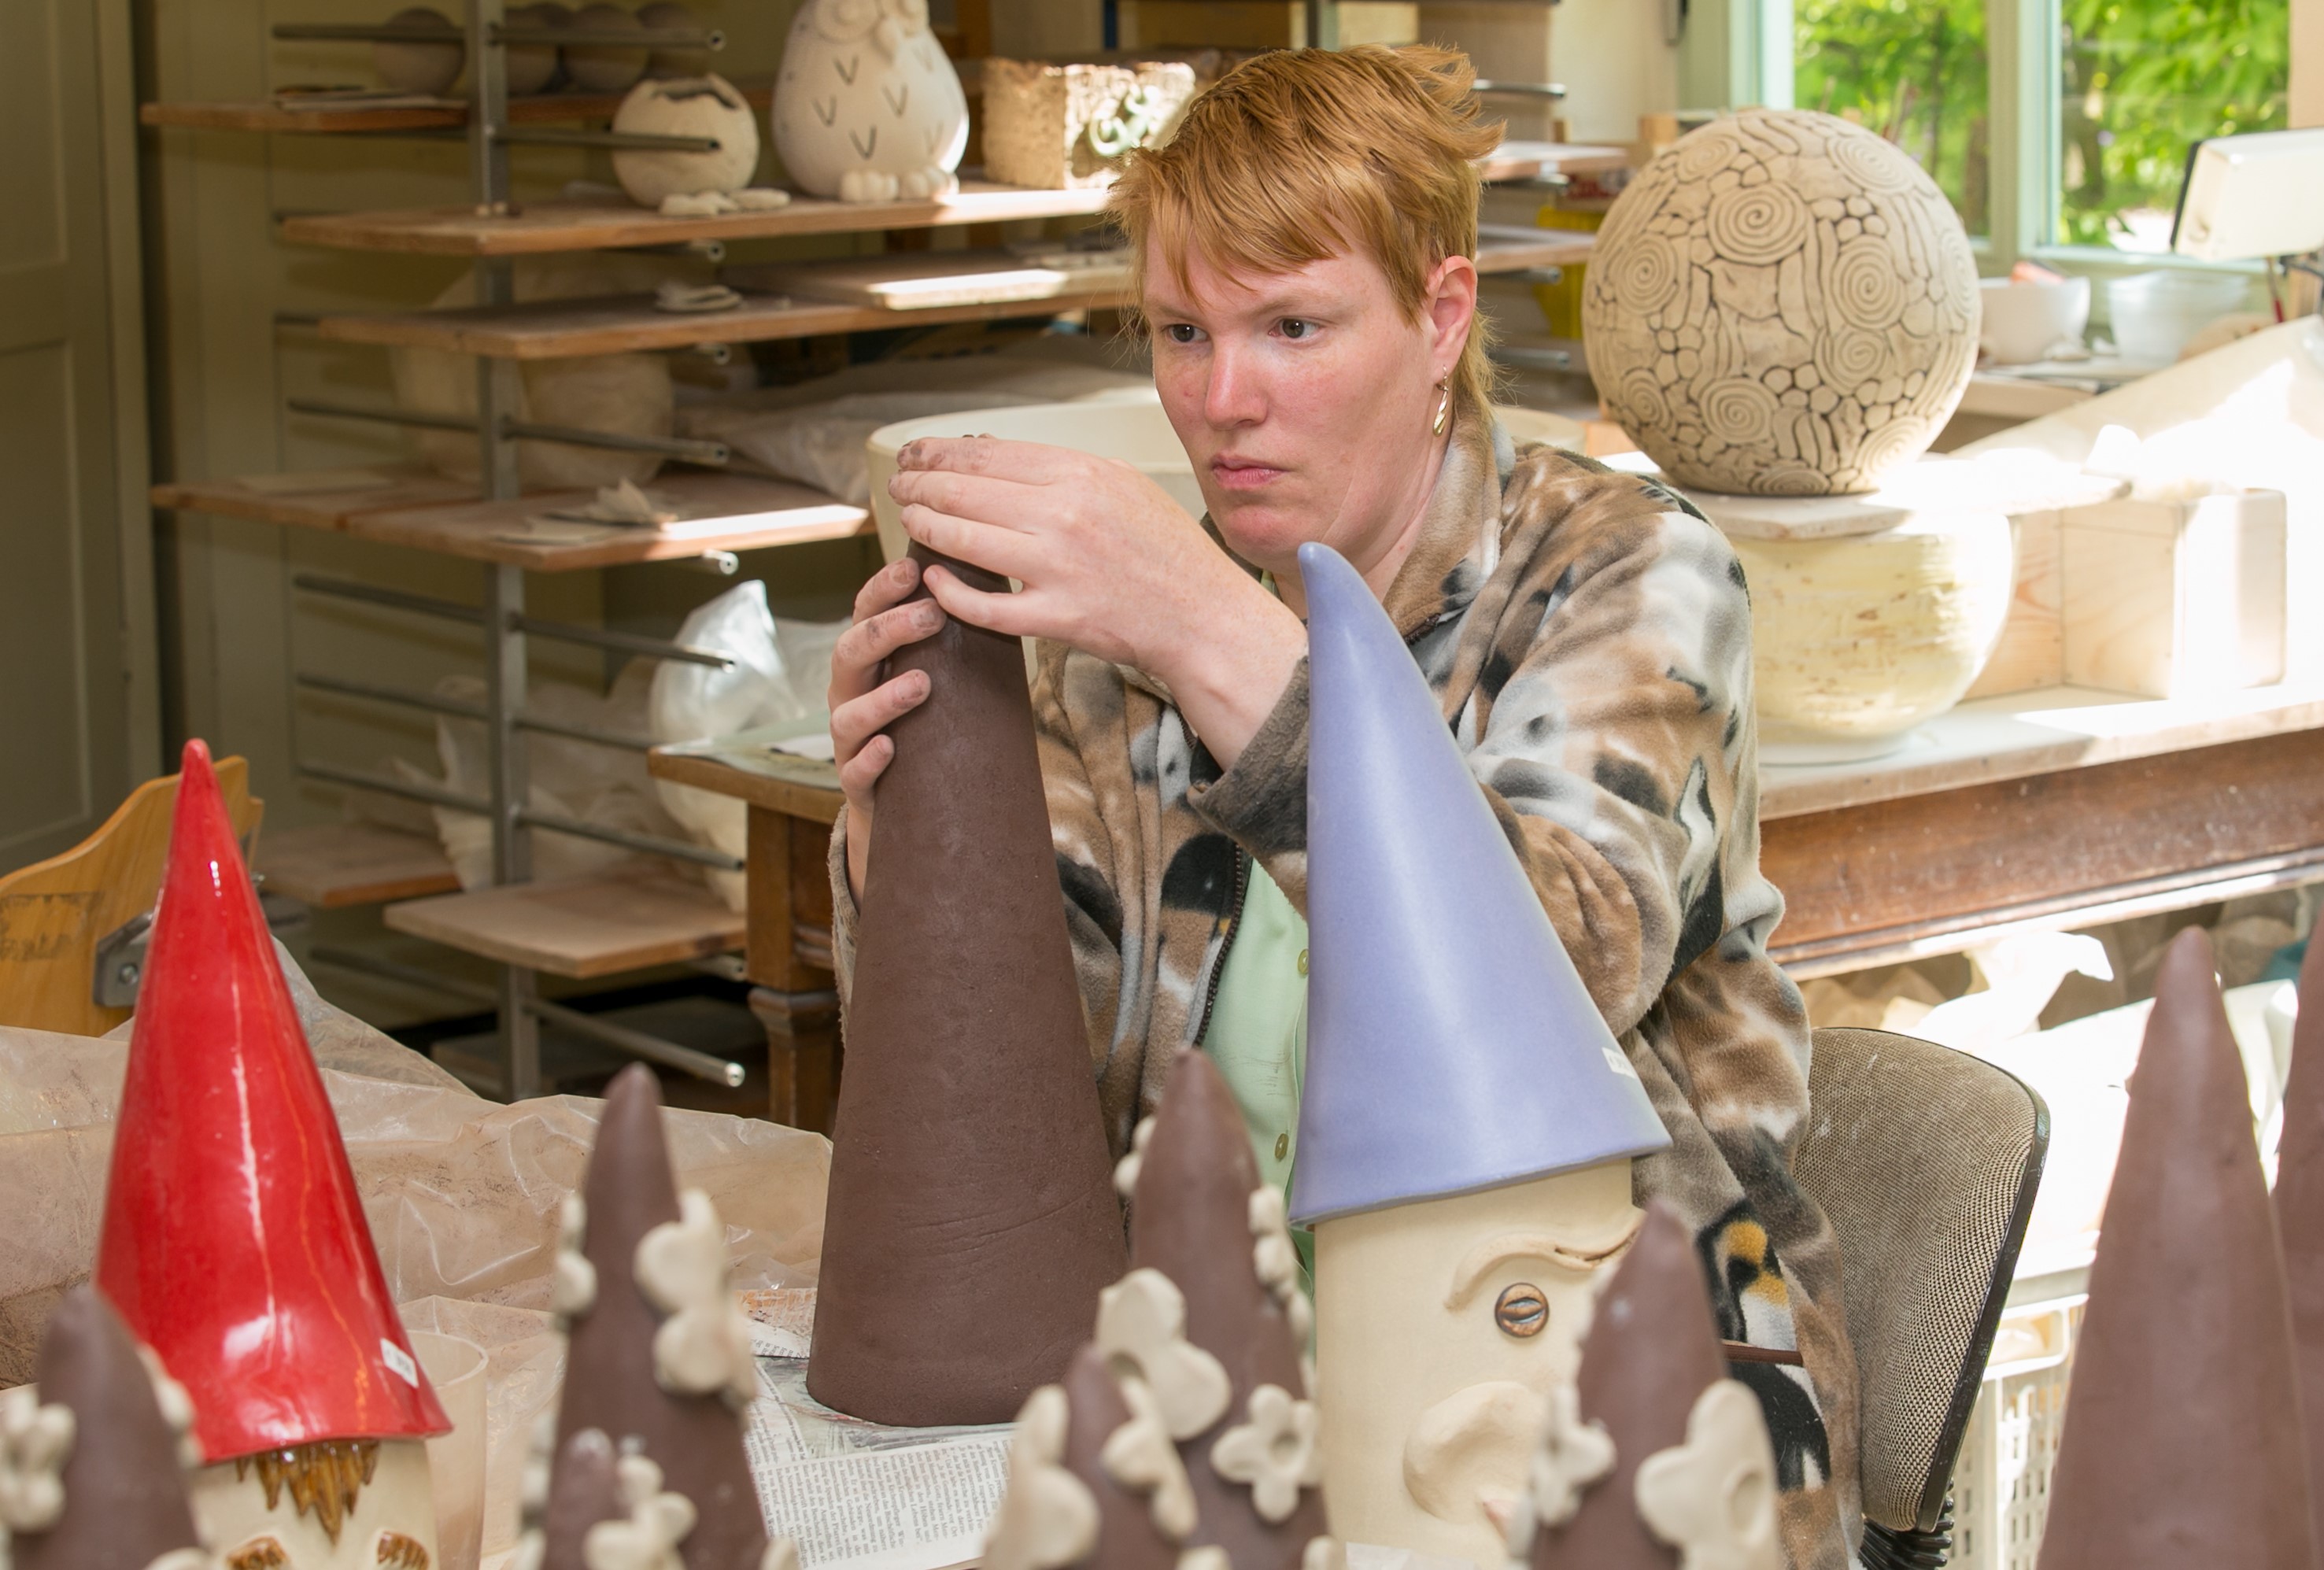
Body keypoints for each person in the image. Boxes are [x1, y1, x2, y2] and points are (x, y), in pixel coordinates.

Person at [824, 45, 1859, 1567]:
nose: (1220, 400)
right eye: (1181, 332)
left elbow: (1547, 981)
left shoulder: (1626, 573)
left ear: (1441, 317)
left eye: (1292, 326)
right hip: (1232, 1396)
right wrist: (905, 851)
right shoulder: (1113, 644)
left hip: (1627, 1380)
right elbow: (1011, 1120)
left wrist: (1208, 633)